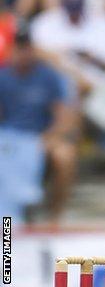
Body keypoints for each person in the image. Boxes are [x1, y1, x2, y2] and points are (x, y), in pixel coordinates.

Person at [0, 28, 78, 223]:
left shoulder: (48, 76)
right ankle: (8, 219)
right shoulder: (3, 77)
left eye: (26, 48)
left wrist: (47, 138)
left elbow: (63, 117)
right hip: (9, 136)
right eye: (19, 48)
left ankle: (55, 216)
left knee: (65, 156)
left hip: (41, 135)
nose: (23, 53)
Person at [30, 0, 105, 96]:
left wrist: (93, 58)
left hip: (103, 89)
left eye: (77, 9)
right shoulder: (45, 23)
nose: (74, 14)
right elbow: (40, 58)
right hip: (63, 89)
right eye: (71, 9)